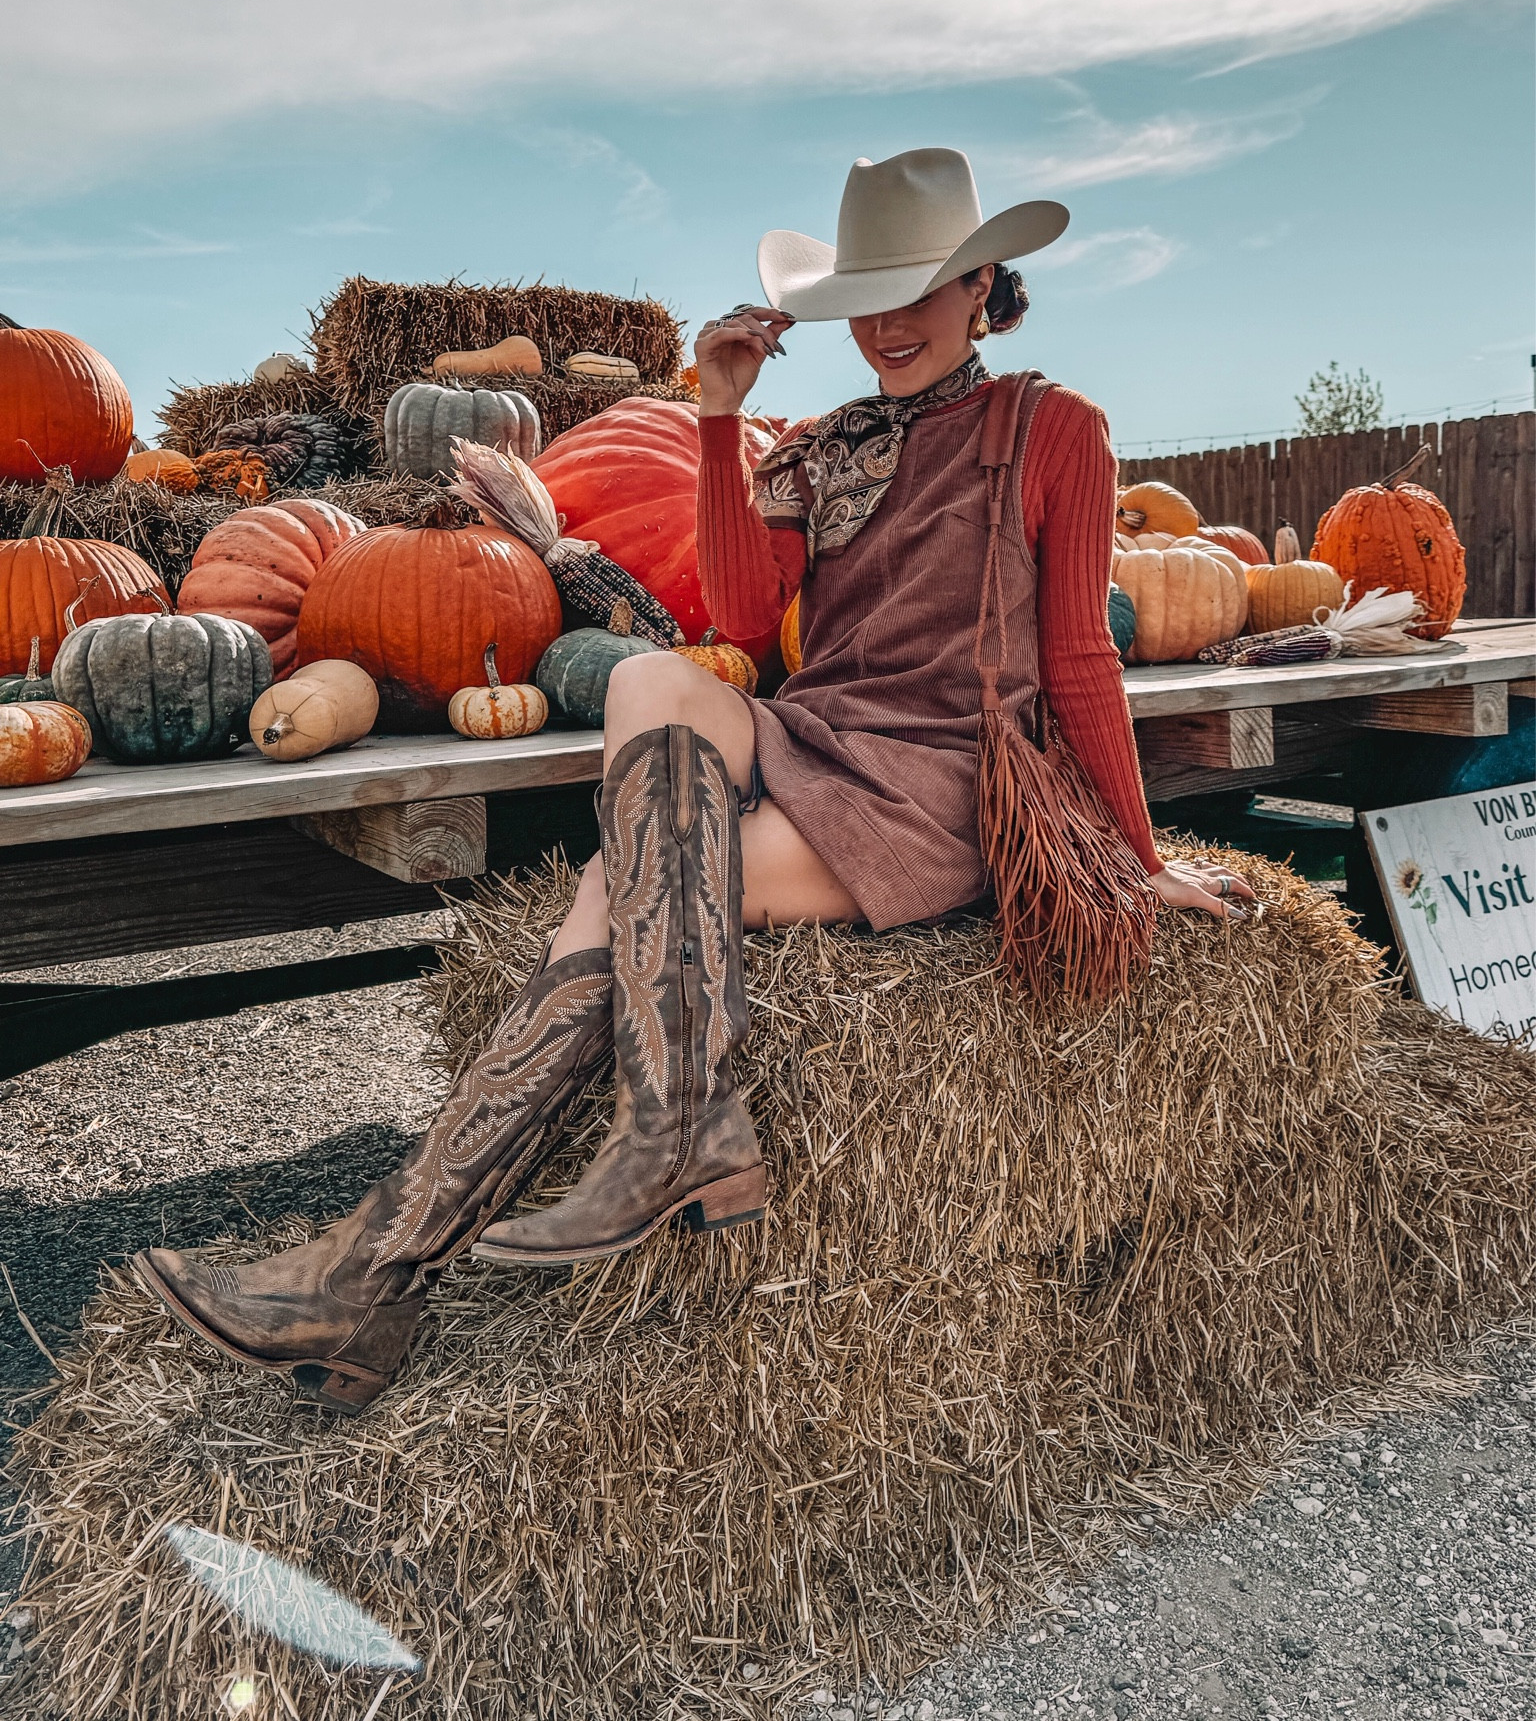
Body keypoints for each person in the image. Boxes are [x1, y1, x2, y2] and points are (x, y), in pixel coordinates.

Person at [134, 147, 1253, 1414]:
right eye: (868, 294)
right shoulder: (816, 446)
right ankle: (678, 1126)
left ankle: (377, 1274)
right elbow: (735, 606)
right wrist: (719, 415)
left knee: (621, 889)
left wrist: (1139, 855)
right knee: (647, 683)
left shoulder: (1053, 428)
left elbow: (1080, 654)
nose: (887, 321)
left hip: (945, 775)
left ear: (986, 281)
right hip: (817, 729)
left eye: (921, 287)